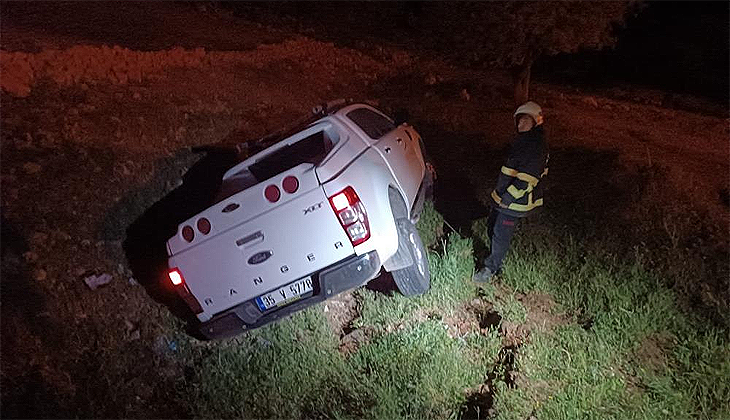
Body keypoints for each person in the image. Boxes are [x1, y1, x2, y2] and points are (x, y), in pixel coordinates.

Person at [473, 101, 549, 283]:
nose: (520, 124)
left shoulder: (535, 146)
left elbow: (527, 179)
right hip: (506, 197)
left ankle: (491, 269)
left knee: (501, 233)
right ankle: (494, 257)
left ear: (535, 122)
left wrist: (507, 198)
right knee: (492, 227)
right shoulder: (526, 141)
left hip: (515, 201)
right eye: (519, 121)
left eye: (525, 120)